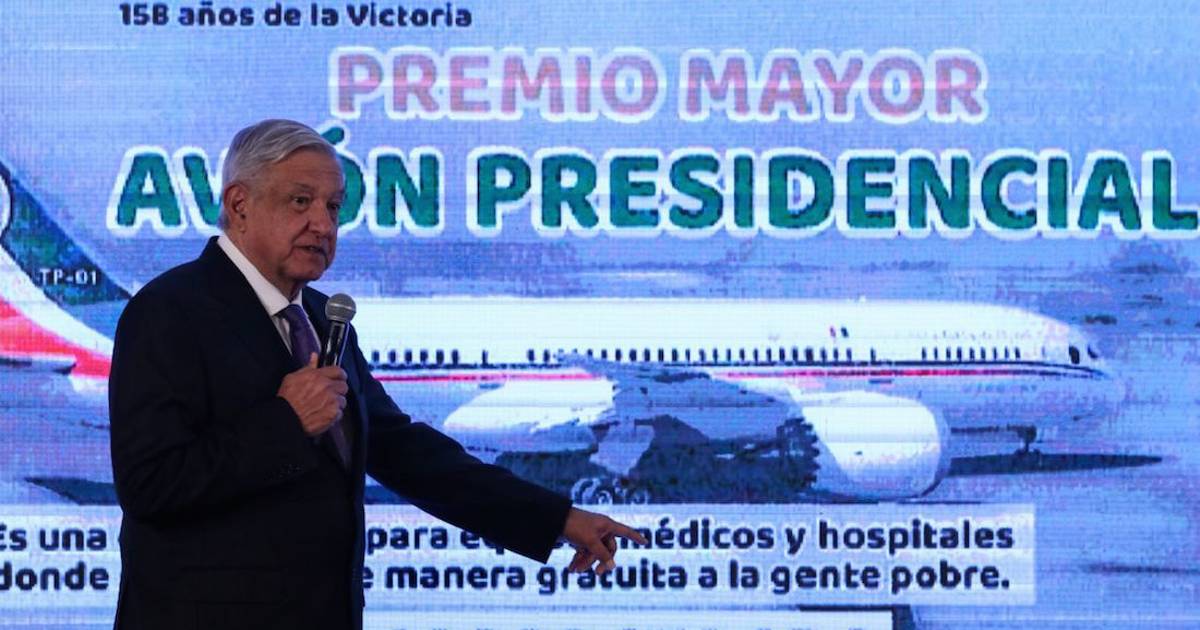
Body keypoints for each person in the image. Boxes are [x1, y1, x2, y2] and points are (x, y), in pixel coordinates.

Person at [108, 119, 646, 630]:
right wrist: (286, 422)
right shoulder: (169, 311)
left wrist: (556, 519)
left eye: (333, 206)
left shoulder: (321, 320)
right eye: (301, 201)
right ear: (239, 204)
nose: (323, 224)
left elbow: (404, 453)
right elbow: (151, 486)